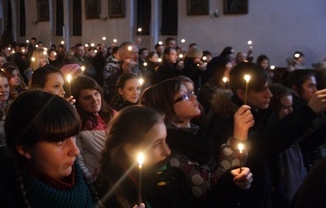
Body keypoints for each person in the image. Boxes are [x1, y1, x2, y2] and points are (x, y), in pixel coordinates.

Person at [204, 62, 326, 207]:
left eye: (268, 87)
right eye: (262, 90)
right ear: (242, 93)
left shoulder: (262, 114)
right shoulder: (228, 123)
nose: (269, 94)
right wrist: (309, 111)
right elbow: (263, 147)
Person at [96, 106, 252, 208]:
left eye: (165, 140)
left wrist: (232, 184)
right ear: (130, 149)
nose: (167, 151)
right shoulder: (114, 194)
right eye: (157, 144)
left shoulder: (173, 176)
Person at [0, 90, 98, 207]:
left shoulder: (79, 180)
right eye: (59, 142)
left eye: (73, 136)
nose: (75, 151)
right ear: (25, 149)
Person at [267, 84, 307, 207]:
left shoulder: (292, 134)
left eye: (291, 106)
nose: (291, 111)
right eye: (285, 108)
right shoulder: (272, 140)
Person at [71, 76, 115, 180]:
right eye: (87, 98)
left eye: (96, 94)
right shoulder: (77, 125)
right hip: (97, 179)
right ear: (78, 101)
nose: (94, 100)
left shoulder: (112, 114)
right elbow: (79, 159)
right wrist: (90, 181)